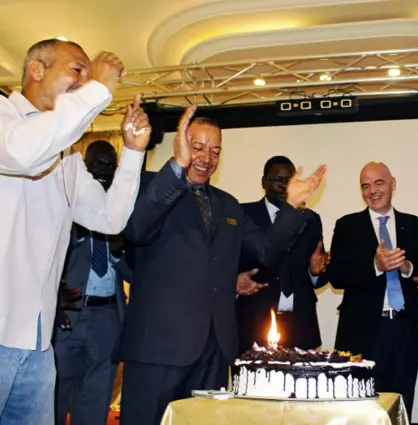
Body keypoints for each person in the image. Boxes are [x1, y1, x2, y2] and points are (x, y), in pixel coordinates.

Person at [118, 106, 327, 425]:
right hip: (158, 348)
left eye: (215, 151)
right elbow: (136, 229)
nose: (206, 157)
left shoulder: (228, 205)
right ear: (181, 145)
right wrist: (176, 167)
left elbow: (266, 251)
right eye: (198, 147)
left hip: (214, 350)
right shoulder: (149, 185)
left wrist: (292, 206)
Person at [0, 38, 148, 424]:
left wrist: (132, 153)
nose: (85, 81)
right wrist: (99, 88)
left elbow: (109, 219)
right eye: (77, 70)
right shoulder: (5, 118)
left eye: (88, 73)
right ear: (36, 70)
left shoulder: (66, 155)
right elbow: (23, 155)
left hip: (37, 339)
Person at [327, 161, 418, 419]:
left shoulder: (414, 225)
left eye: (379, 182)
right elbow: (336, 276)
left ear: (393, 183)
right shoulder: (347, 226)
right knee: (362, 410)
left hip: (406, 330)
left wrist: (406, 267)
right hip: (363, 334)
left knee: (401, 408)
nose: (372, 190)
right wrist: (375, 265)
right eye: (365, 185)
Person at [53, 140, 134, 425]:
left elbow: (135, 273)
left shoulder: (123, 211)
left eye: (111, 166)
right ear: (85, 167)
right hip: (68, 317)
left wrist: (117, 252)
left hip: (107, 318)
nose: (104, 171)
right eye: (98, 164)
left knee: (95, 402)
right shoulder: (64, 204)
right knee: (54, 398)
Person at [236, 155, 330, 352]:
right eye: (278, 179)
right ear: (264, 182)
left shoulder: (311, 219)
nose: (285, 185)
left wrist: (315, 272)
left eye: (290, 180)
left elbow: (319, 277)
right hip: (254, 323)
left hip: (300, 326)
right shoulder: (244, 214)